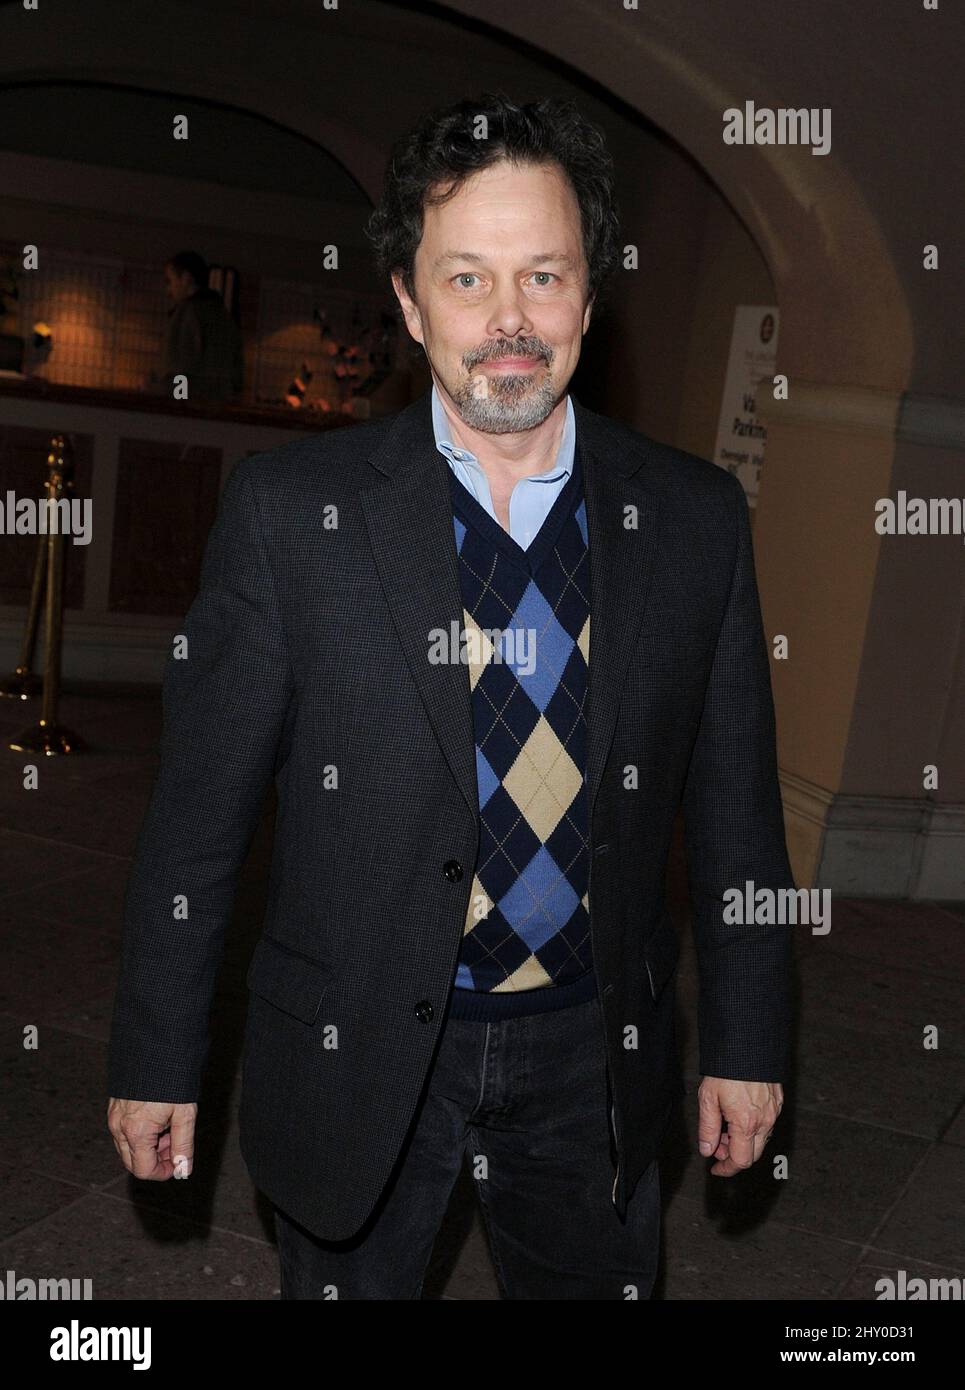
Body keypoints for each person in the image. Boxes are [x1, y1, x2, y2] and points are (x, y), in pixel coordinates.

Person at [107, 92, 795, 1300]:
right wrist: (158, 1055)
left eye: (543, 275)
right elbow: (196, 820)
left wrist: (746, 1041)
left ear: (588, 295)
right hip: (357, 1046)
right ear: (412, 304)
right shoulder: (291, 518)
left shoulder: (691, 521)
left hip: (591, 1055)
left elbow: (738, 812)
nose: (510, 320)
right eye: (468, 280)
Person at [156, 250, 243, 401]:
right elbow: (236, 373)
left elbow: (180, 368)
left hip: (190, 407)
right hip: (219, 407)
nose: (168, 290)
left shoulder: (187, 314)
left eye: (170, 281)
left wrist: (178, 401)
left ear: (186, 278)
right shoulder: (224, 316)